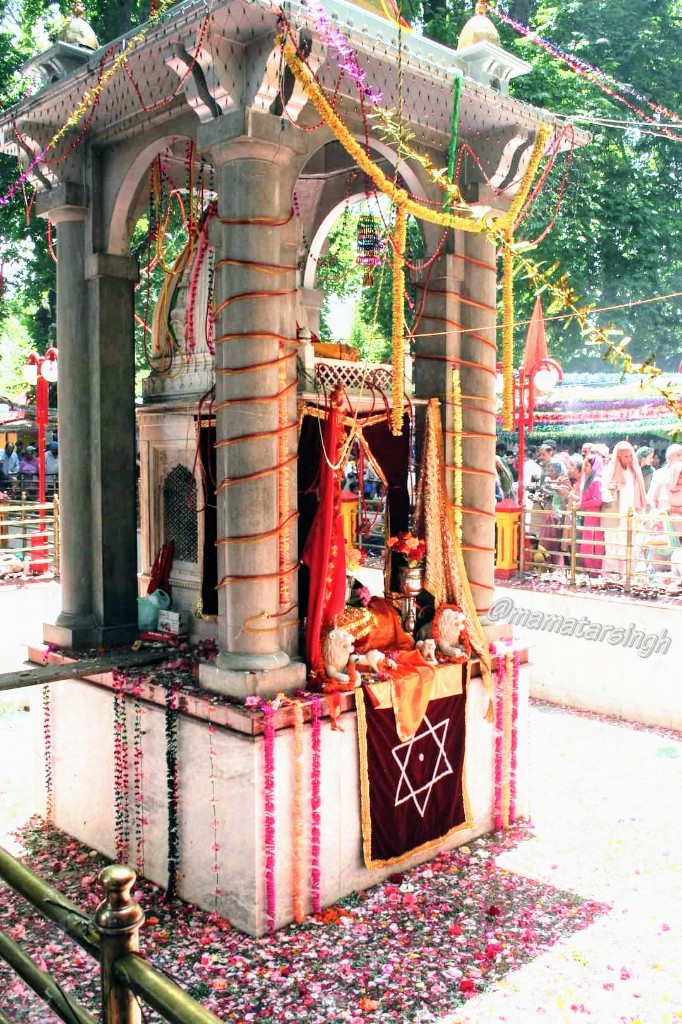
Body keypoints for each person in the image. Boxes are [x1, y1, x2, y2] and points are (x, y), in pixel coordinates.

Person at [601, 440, 648, 574]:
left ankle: (629, 575)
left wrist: (641, 513)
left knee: (632, 547)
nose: (629, 459)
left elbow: (639, 495)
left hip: (632, 516)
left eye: (630, 456)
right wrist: (612, 491)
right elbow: (603, 494)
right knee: (612, 547)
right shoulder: (609, 471)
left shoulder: (634, 471)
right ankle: (611, 577)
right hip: (614, 516)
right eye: (625, 456)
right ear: (619, 457)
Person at [573, 451, 605, 571]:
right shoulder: (590, 480)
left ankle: (595, 571)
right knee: (588, 545)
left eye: (587, 465)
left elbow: (597, 501)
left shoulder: (596, 480)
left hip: (594, 517)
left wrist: (582, 504)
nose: (584, 468)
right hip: (589, 516)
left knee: (593, 545)